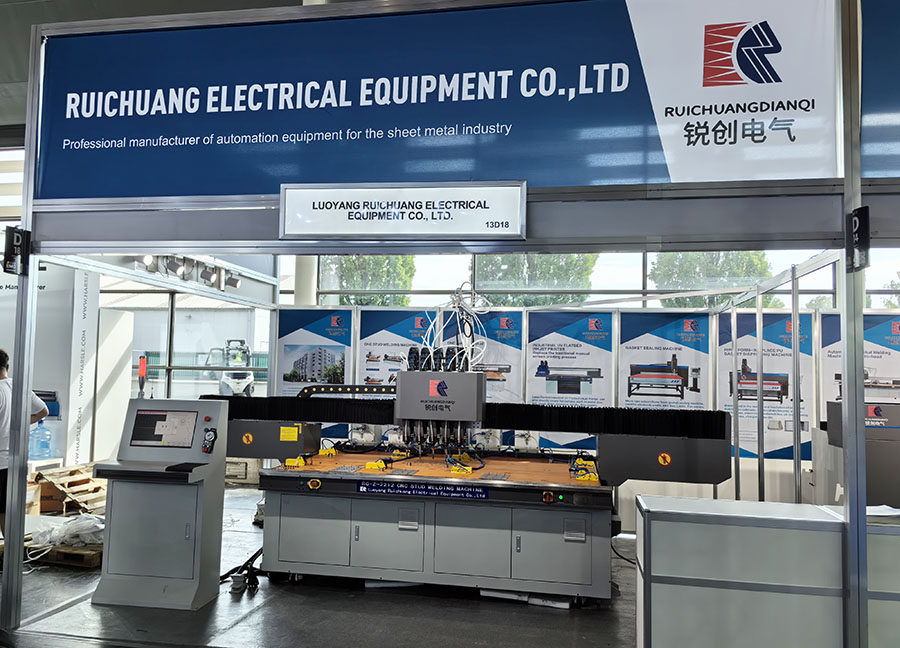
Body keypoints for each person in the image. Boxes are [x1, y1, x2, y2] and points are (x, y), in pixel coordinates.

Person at [0, 349, 49, 535]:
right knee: (7, 509)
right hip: (14, 460)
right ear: (7, 366)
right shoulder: (17, 386)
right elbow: (43, 411)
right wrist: (19, 424)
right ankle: (10, 549)